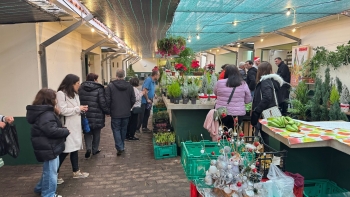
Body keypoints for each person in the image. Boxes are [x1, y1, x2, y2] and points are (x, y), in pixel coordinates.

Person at [26, 88, 70, 197]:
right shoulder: (46, 114)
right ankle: (48, 194)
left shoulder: (43, 112)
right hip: (49, 147)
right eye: (55, 98)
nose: (56, 100)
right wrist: (65, 131)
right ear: (50, 99)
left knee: (49, 170)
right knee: (51, 172)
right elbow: (51, 131)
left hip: (47, 146)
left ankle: (40, 188)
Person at [57, 74, 89, 184]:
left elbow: (75, 108)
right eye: (77, 83)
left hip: (76, 125)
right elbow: (62, 110)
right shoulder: (61, 94)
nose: (79, 85)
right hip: (67, 126)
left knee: (74, 148)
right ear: (71, 84)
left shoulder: (75, 94)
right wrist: (77, 109)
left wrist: (81, 109)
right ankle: (55, 174)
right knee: (65, 150)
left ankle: (76, 171)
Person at [251, 62, 284, 145]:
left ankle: (267, 154)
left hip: (265, 113)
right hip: (270, 111)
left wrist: (257, 110)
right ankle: (269, 154)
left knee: (265, 136)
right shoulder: (272, 81)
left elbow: (267, 97)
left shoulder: (265, 81)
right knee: (268, 136)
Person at [78, 73, 109, 159]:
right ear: (95, 79)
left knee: (87, 132)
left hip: (85, 113)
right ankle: (94, 149)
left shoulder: (81, 88)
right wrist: (107, 111)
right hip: (97, 114)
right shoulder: (99, 88)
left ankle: (88, 148)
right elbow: (102, 102)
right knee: (96, 132)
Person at [106, 69, 136, 156]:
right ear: (124, 76)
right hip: (126, 112)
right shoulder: (130, 86)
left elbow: (107, 99)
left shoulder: (110, 86)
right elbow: (133, 99)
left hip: (115, 112)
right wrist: (128, 107)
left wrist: (109, 110)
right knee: (123, 129)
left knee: (116, 129)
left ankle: (120, 147)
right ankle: (121, 145)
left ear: (116, 75)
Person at [214, 65, 251, 129]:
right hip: (237, 114)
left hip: (222, 112)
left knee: (222, 132)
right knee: (234, 133)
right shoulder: (243, 83)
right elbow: (248, 100)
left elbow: (215, 93)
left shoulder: (219, 82)